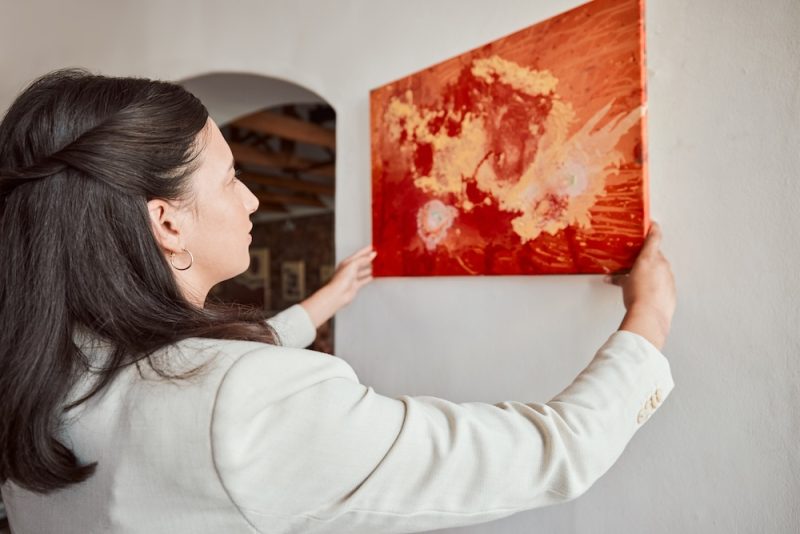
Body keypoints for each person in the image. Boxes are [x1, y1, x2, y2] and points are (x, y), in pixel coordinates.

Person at [0, 68, 676, 534]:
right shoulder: (248, 406)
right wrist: (649, 318)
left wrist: (325, 301)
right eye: (232, 177)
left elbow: (199, 378)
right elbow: (551, 452)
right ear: (167, 221)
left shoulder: (42, 367)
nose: (253, 199)